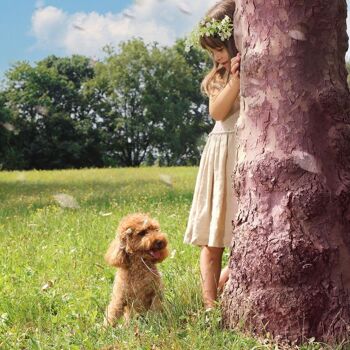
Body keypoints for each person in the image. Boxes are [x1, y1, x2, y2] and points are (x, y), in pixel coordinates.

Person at [184, 0, 240, 310]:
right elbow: (218, 112)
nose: (216, 56)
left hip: (245, 154)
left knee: (243, 235)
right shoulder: (221, 76)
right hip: (222, 153)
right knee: (214, 237)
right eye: (211, 51)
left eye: (219, 48)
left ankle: (222, 289)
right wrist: (236, 80)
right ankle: (208, 306)